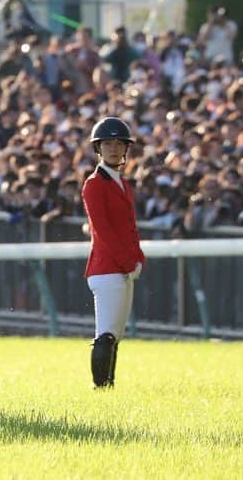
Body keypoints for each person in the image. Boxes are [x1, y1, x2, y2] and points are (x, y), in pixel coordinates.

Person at [81, 116, 145, 388]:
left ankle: (109, 387)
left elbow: (130, 227)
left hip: (123, 267)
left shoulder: (123, 184)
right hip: (108, 268)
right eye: (108, 143)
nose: (114, 148)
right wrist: (127, 262)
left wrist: (138, 258)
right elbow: (103, 232)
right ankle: (100, 388)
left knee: (116, 335)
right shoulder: (94, 184)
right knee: (106, 334)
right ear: (99, 148)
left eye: (119, 143)